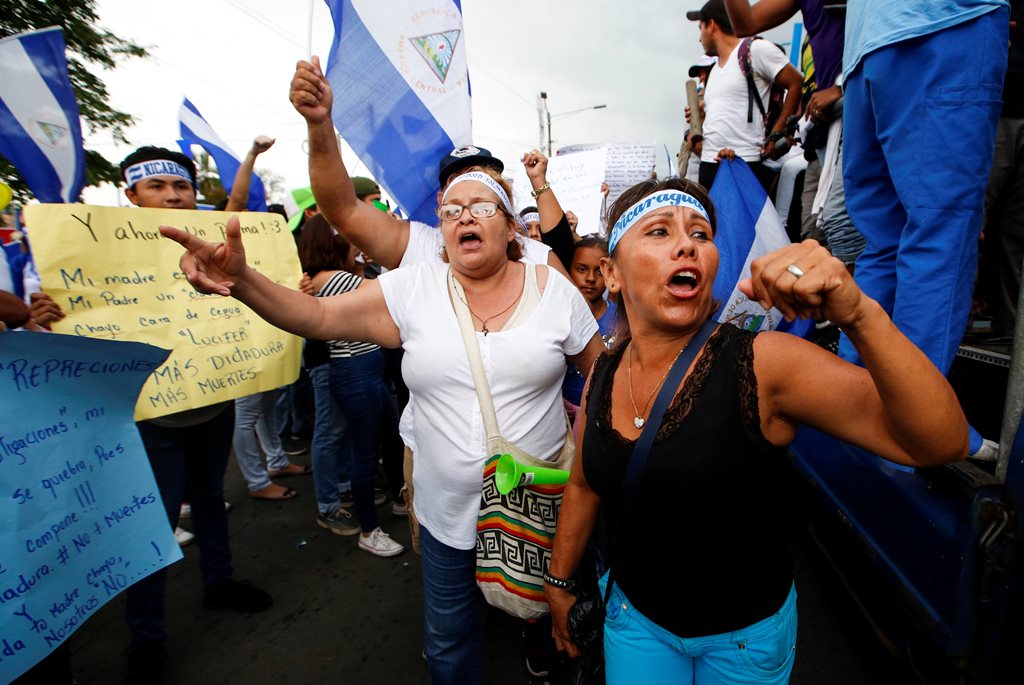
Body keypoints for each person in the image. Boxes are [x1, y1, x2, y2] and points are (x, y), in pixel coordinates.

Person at [161, 146, 606, 682]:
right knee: (448, 643)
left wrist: (588, 466)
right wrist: (244, 281)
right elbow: (318, 315)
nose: (464, 215)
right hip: (446, 518)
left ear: (511, 228)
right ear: (440, 228)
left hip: (537, 509)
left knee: (553, 628)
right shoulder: (413, 288)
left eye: (482, 206)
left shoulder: (552, 289)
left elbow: (603, 378)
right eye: (451, 209)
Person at [544, 176, 969, 684]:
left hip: (743, 642)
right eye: (659, 232)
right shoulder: (603, 373)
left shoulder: (764, 363)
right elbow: (585, 484)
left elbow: (939, 440)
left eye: (701, 234)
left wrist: (859, 314)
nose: (687, 244)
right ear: (612, 274)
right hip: (636, 623)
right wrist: (560, 581)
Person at [298, 214, 406, 556]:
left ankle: (401, 502)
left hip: (367, 372)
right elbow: (393, 292)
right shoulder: (332, 278)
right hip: (355, 374)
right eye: (352, 240)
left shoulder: (335, 277)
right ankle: (369, 530)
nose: (360, 246)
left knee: (390, 439)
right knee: (365, 453)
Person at [686, 0, 802, 193]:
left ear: (712, 25)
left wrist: (778, 131)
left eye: (701, 28)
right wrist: (701, 115)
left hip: (743, 163)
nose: (700, 38)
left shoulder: (755, 50)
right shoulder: (714, 70)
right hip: (709, 165)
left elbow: (796, 81)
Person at [563, 237, 618, 419]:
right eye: (581, 269)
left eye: (599, 272)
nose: (590, 279)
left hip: (606, 415)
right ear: (567, 270)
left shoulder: (623, 319)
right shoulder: (556, 317)